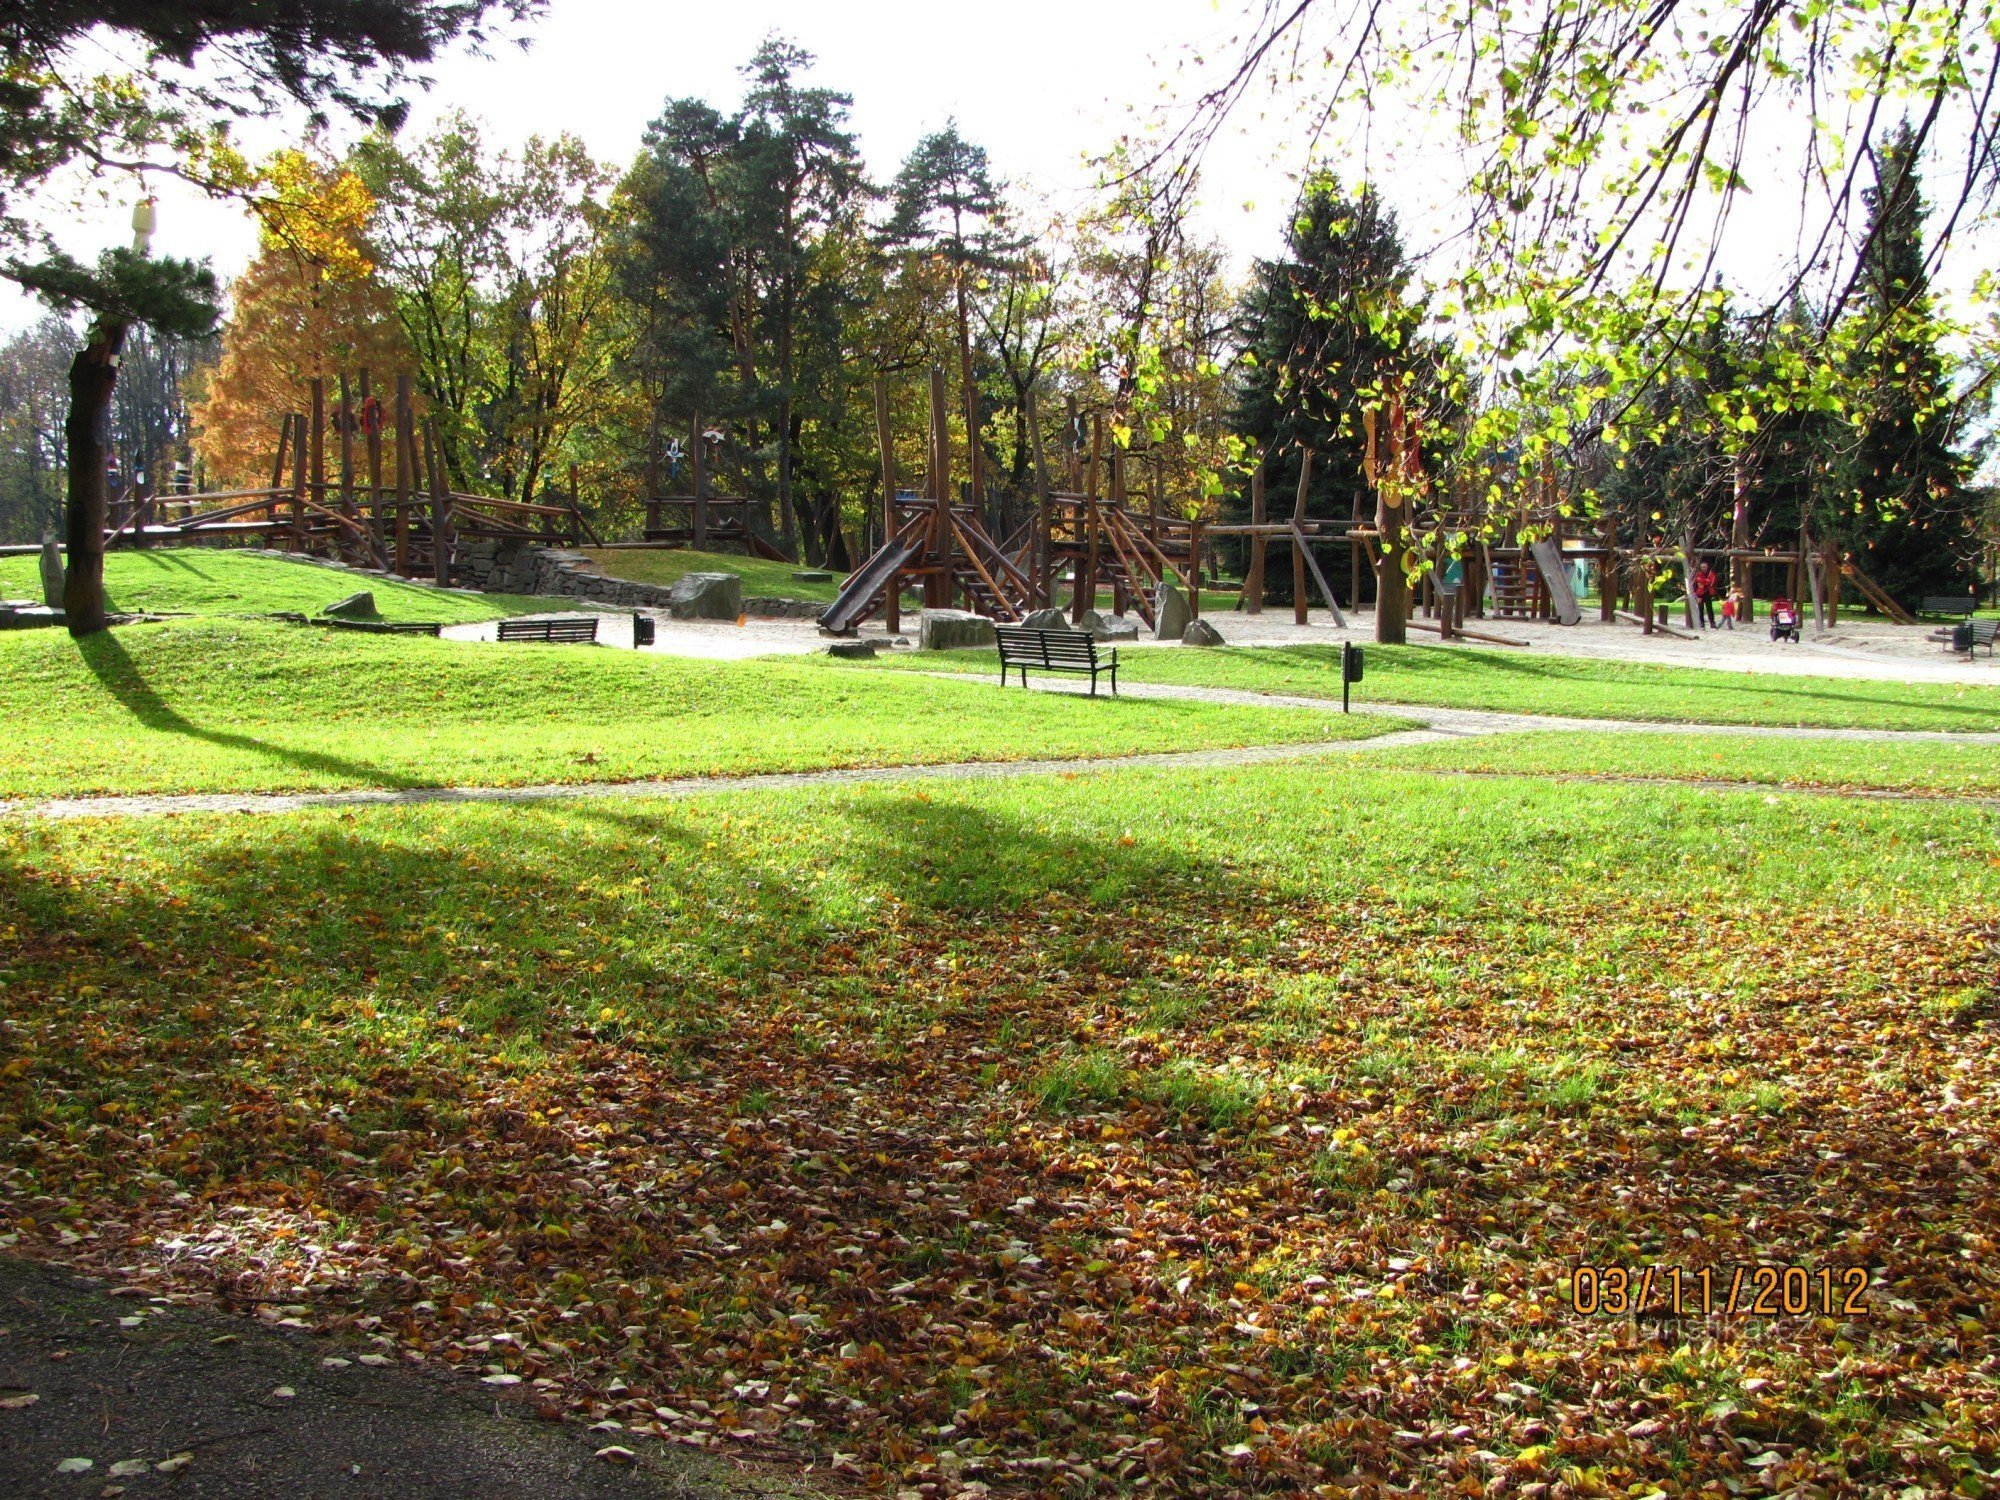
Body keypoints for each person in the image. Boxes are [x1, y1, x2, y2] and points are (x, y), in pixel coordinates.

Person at [1693, 561, 1720, 628]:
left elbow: (1714, 583)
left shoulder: (1711, 574)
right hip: (1700, 594)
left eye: (1704, 567)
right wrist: (1696, 596)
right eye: (1702, 567)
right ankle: (1701, 623)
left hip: (1708, 594)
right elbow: (1695, 586)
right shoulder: (1698, 575)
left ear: (1707, 567)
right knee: (1700, 609)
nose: (1703, 568)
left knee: (1709, 609)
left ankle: (1712, 622)